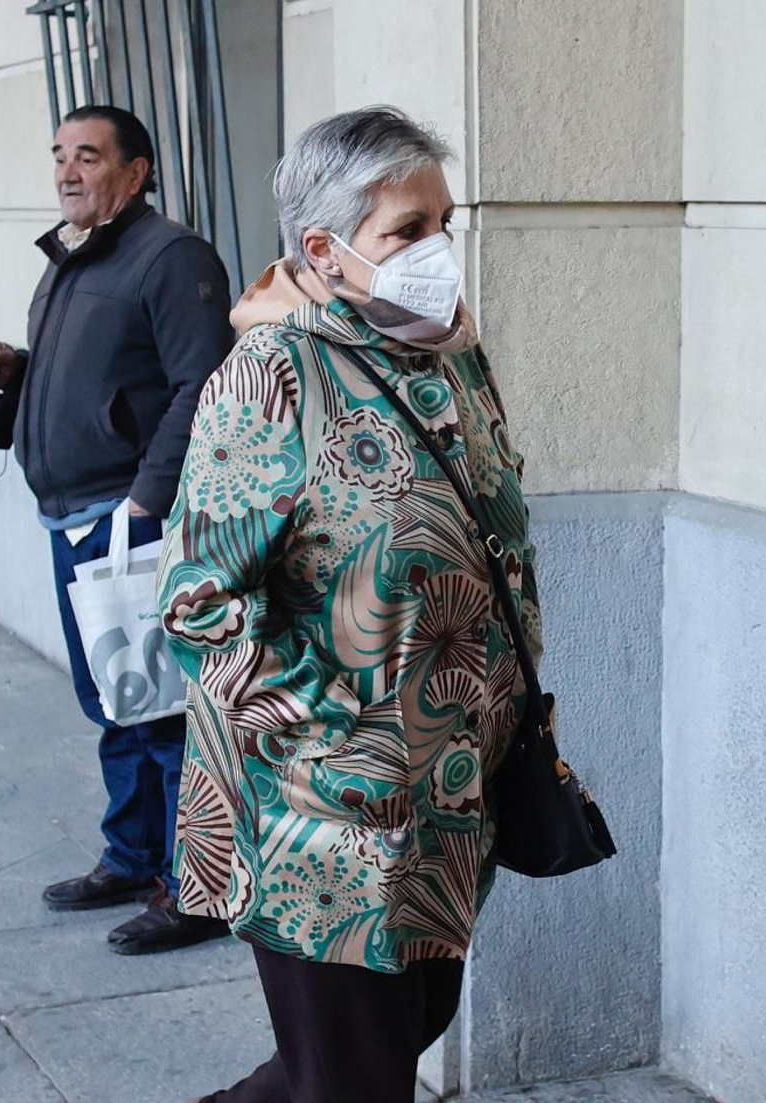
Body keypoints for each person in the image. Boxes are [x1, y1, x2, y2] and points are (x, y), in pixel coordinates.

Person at [157, 106, 543, 1102]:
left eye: (444, 222)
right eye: (407, 230)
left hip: (451, 798)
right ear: (324, 250)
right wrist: (331, 747)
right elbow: (199, 602)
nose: (438, 249)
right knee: (356, 1079)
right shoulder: (270, 374)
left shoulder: (451, 357)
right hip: (324, 816)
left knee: (388, 1039)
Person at [0, 104, 233, 955]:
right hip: (71, 518)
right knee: (116, 704)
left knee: (161, 710)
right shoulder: (69, 261)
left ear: (137, 172)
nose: (67, 171)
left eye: (88, 156)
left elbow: (202, 383)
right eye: (59, 156)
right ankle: (132, 856)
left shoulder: (172, 256)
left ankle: (198, 888)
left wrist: (147, 502)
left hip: (129, 519)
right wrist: (16, 369)